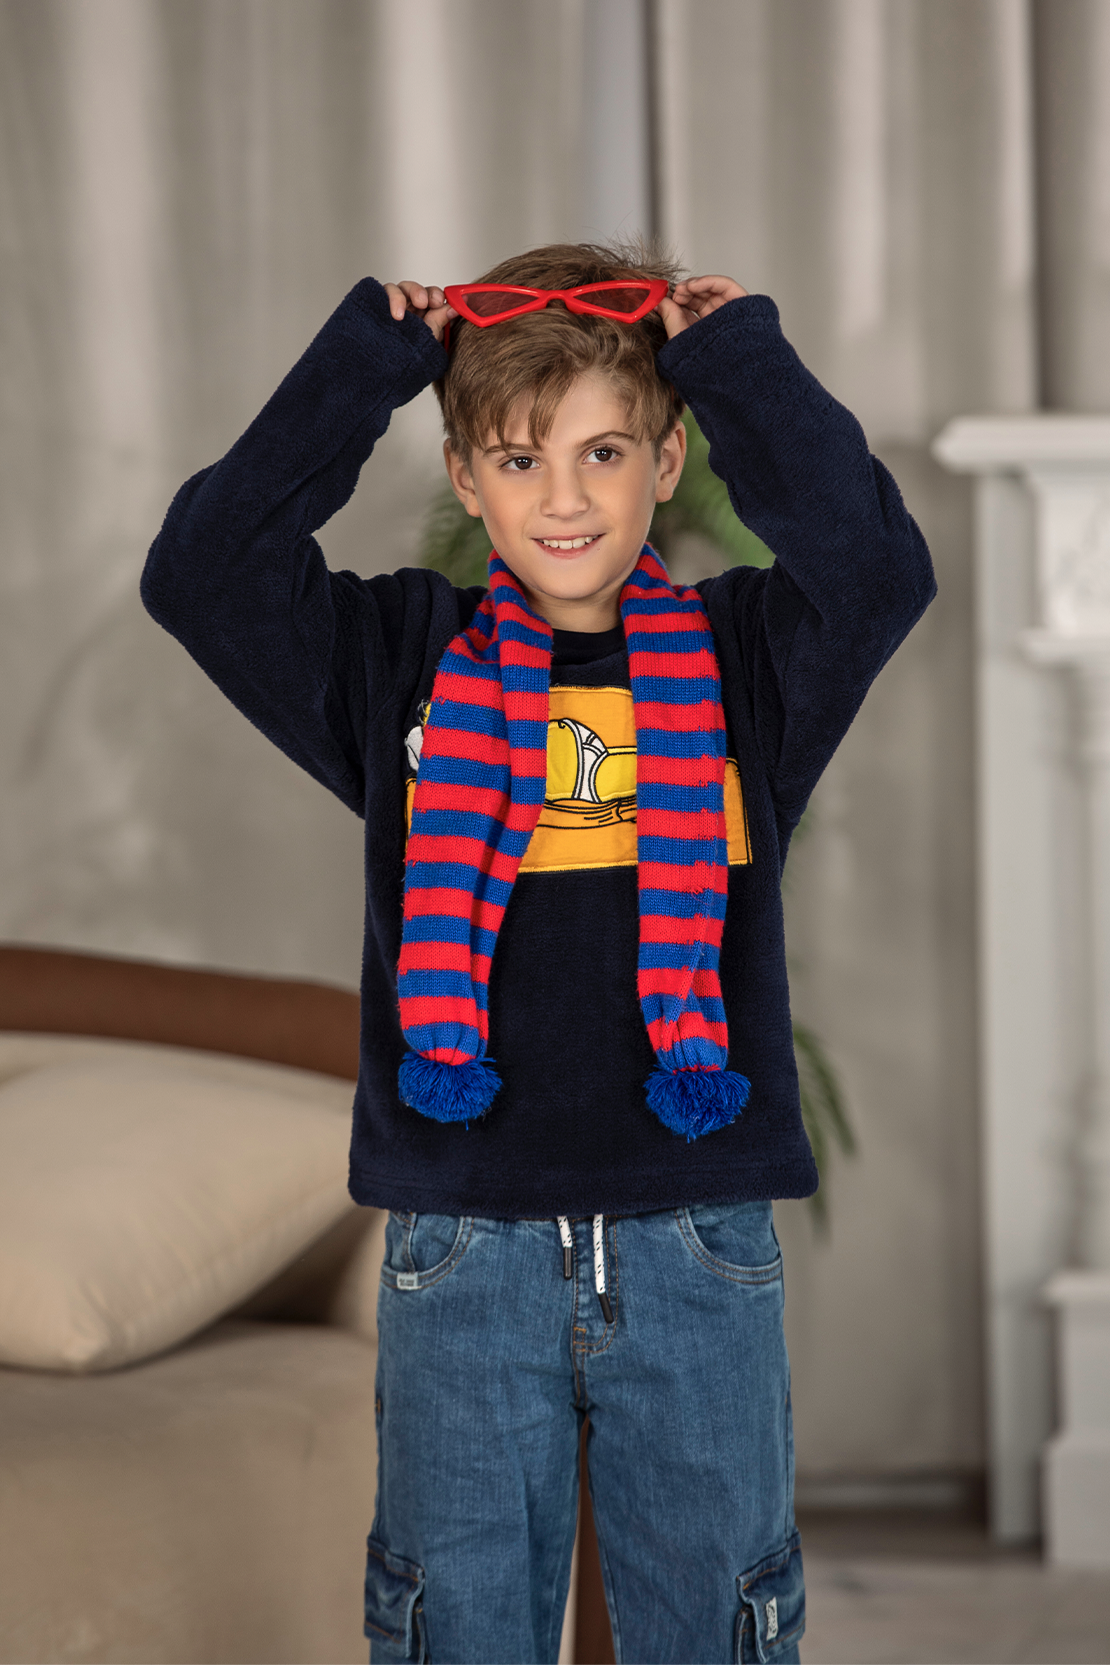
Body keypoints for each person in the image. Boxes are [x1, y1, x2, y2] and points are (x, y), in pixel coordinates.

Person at [142, 240, 935, 1664]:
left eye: (603, 452)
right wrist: (369, 364)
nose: (562, 499)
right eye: (518, 459)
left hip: (695, 1234)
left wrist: (736, 359)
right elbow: (202, 574)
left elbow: (877, 571)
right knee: (455, 1627)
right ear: (465, 478)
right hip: (463, 1244)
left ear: (667, 461)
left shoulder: (752, 662)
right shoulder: (396, 661)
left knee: (719, 1622)